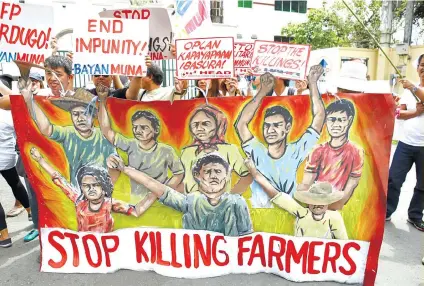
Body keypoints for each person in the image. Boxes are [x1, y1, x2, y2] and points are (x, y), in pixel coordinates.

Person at [235, 67, 325, 208]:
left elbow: (319, 117)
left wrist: (312, 84)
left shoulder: (295, 151)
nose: (270, 130)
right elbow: (241, 124)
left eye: (277, 125)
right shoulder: (257, 151)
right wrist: (262, 92)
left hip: (289, 212)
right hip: (260, 214)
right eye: (267, 126)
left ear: (287, 128)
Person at [108, 153, 253, 237]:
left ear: (227, 176)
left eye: (218, 171)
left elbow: (247, 239)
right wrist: (124, 169)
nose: (213, 176)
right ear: (198, 176)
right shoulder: (191, 201)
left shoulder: (237, 203)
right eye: (207, 171)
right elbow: (153, 185)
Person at [98, 86, 184, 204]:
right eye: (135, 127)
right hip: (136, 201)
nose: (138, 130)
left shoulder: (166, 150)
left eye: (144, 127)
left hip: (160, 204)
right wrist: (102, 101)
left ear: (155, 130)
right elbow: (106, 130)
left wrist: (163, 192)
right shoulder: (131, 145)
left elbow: (179, 174)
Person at [30, 148, 145, 232]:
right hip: (85, 251)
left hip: (107, 249)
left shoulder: (109, 203)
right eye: (86, 186)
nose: (91, 189)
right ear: (82, 189)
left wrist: (158, 191)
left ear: (104, 187)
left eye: (95, 185)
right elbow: (59, 180)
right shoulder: (79, 201)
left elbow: (136, 210)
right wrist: (40, 160)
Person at [21, 86, 116, 189]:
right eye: (75, 114)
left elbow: (115, 167)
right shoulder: (68, 133)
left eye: (84, 113)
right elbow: (46, 129)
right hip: (76, 191)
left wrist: (106, 190)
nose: (80, 118)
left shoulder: (103, 136)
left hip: (101, 191)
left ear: (93, 116)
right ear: (71, 116)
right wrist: (30, 101)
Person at [245, 158, 347, 239]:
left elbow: (344, 244)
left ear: (327, 203)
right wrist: (255, 174)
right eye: (314, 201)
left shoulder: (334, 217)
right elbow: (276, 195)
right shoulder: (302, 213)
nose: (317, 205)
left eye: (322, 202)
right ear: (308, 202)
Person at [301, 99, 364, 210]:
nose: (336, 124)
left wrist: (335, 205)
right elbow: (307, 182)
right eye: (332, 120)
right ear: (326, 121)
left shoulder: (356, 151)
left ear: (349, 121)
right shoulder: (317, 150)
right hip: (314, 202)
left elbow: (352, 184)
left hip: (336, 204)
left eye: (341, 120)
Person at [386, 54, 424, 231]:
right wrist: (415, 113)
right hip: (405, 144)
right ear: (417, 68)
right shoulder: (408, 93)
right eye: (422, 65)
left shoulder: (413, 89)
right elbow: (397, 114)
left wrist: (413, 88)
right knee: (394, 178)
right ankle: (387, 211)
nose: (423, 68)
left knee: (422, 184)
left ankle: (415, 215)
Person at [181, 104, 252, 194]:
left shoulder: (229, 150)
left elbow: (247, 175)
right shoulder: (187, 152)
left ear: (218, 125)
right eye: (195, 124)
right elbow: (183, 180)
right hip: (192, 203)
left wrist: (232, 197)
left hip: (219, 203)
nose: (199, 128)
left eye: (205, 124)